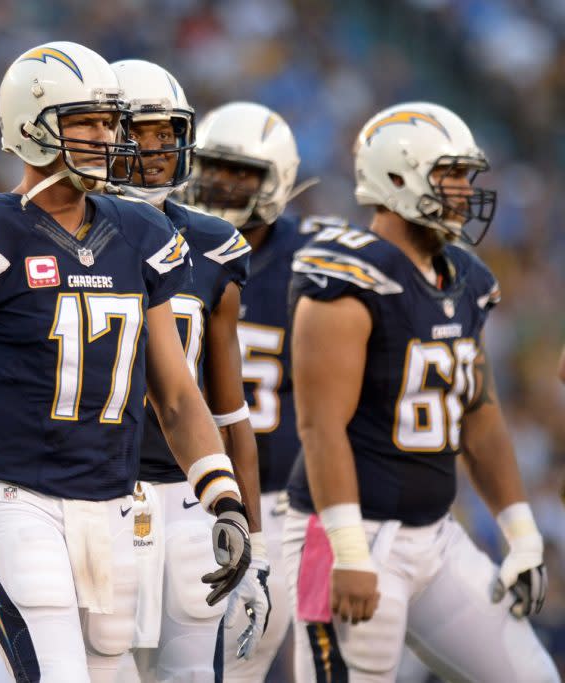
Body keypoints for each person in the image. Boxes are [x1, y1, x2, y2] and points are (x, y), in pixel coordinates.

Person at [0, 41, 251, 683]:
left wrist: (226, 499)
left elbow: (179, 397)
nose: (107, 137)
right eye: (86, 122)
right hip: (16, 499)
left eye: (109, 122)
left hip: (112, 507)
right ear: (32, 123)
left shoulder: (140, 234)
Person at [282, 102, 558, 682]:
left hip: (436, 534)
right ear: (397, 177)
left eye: (465, 176)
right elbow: (320, 428)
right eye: (449, 175)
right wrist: (350, 551)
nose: (463, 191)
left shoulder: (464, 278)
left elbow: (478, 414)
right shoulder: (348, 279)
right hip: (338, 537)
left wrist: (522, 533)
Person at [109, 61, 263, 683]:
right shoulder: (61, 237)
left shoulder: (214, 245)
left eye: (164, 134)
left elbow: (229, 411)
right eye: (137, 134)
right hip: (91, 489)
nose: (153, 151)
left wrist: (252, 538)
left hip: (188, 494)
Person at [183, 101, 344, 681]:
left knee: (300, 664)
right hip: (182, 493)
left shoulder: (318, 263)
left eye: (243, 172)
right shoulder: (168, 241)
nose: (223, 181)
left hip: (286, 506)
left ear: (277, 179)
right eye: (215, 166)